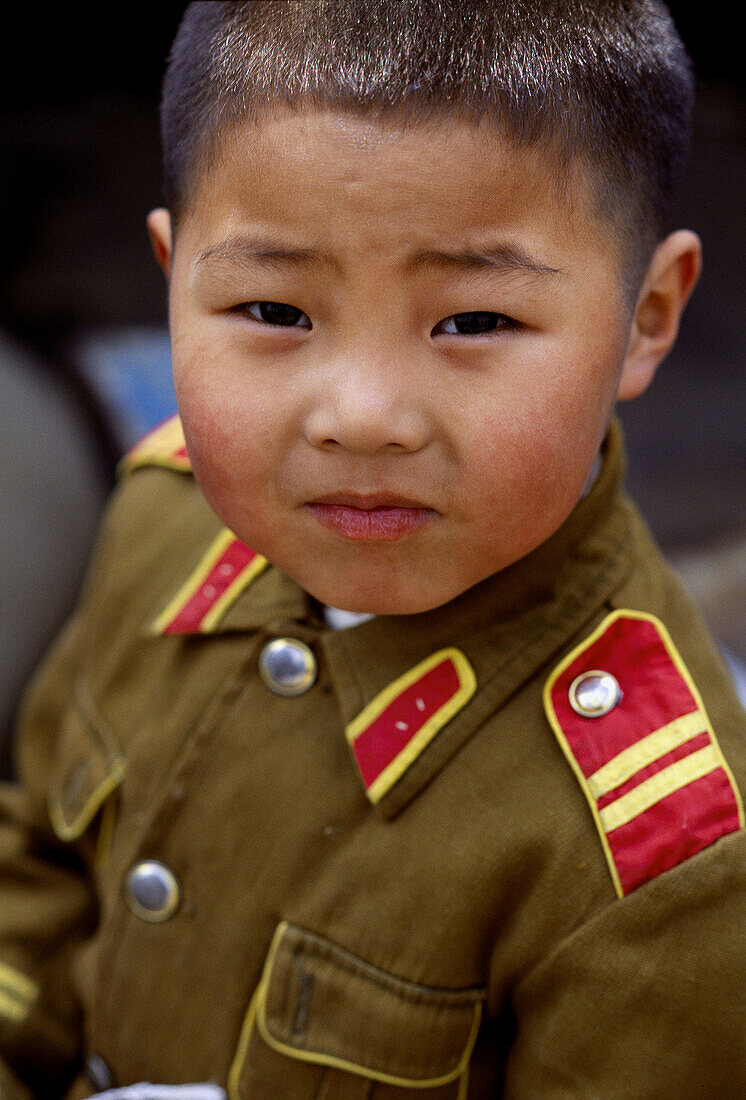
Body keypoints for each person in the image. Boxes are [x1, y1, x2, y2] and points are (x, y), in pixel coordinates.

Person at [1, 2, 744, 1096]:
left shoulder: (663, 860)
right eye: (271, 307)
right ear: (170, 281)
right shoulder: (168, 519)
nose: (361, 415)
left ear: (646, 314)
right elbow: (43, 868)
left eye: (473, 322)